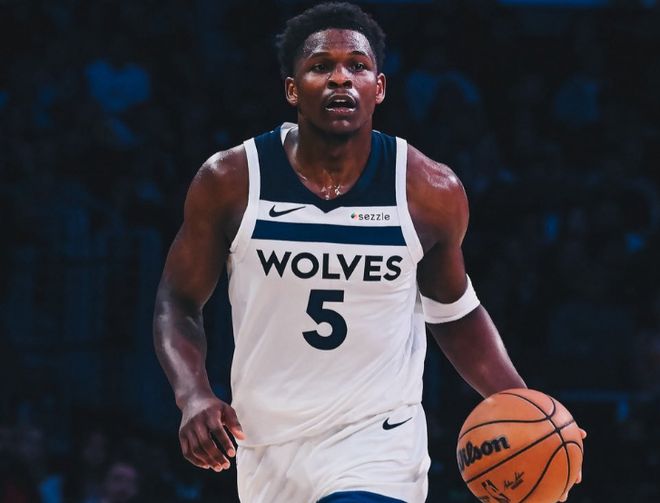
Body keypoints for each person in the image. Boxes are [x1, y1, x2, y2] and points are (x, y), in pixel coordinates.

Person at [153, 3, 582, 502]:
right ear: (292, 89)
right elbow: (177, 301)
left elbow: (455, 313)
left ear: (378, 88)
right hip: (266, 446)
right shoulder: (232, 180)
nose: (341, 78)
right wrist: (193, 394)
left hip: (379, 440)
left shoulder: (428, 190)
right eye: (321, 66)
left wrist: (528, 408)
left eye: (357, 66)